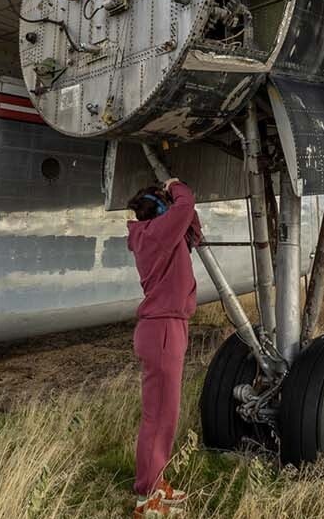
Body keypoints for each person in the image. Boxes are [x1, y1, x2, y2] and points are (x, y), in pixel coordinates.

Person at [125, 177, 203, 518]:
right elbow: (186, 206)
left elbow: (193, 230)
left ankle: (155, 484)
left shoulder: (160, 236)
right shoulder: (158, 234)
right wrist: (177, 185)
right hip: (163, 331)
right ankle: (148, 497)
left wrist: (178, 205)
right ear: (161, 209)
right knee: (158, 417)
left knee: (164, 415)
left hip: (165, 328)